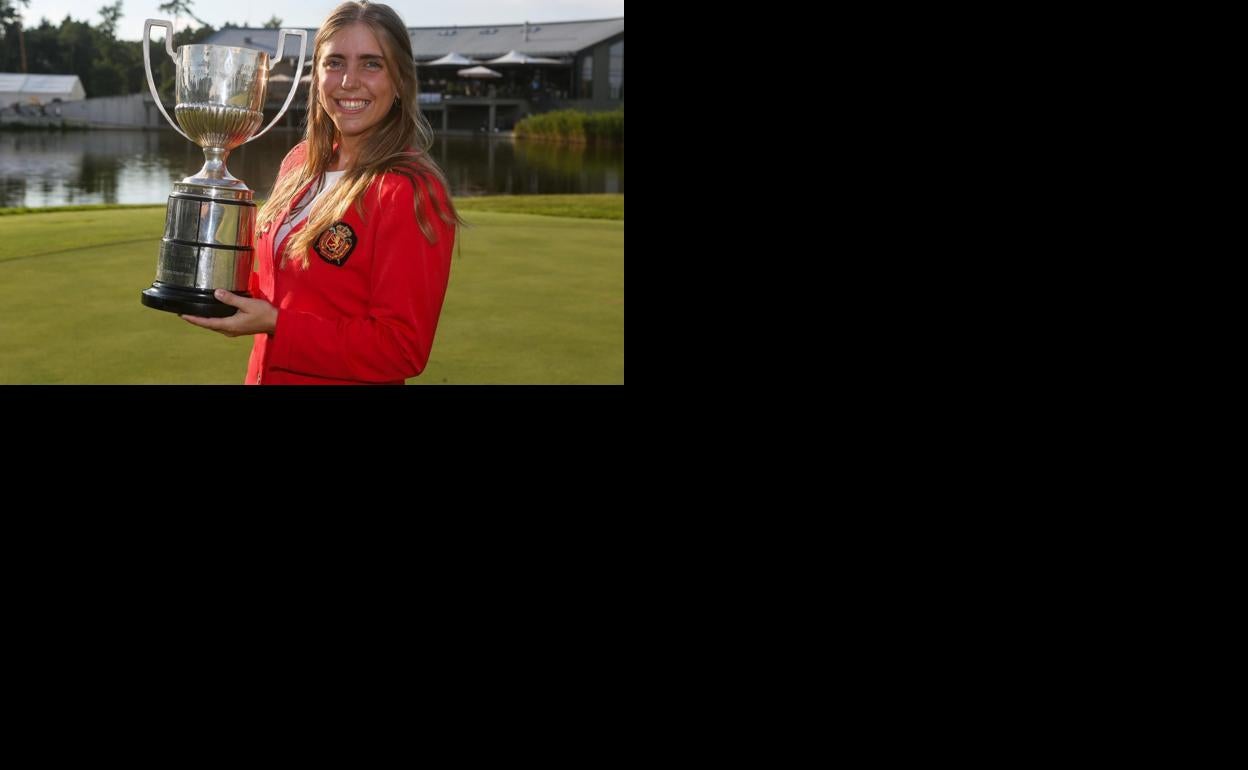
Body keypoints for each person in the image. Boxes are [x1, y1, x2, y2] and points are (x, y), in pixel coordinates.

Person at [180, 1, 462, 385]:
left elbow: (401, 347)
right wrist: (213, 284)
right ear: (317, 76)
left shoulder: (408, 191)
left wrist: (278, 325)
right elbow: (285, 288)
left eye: (371, 63)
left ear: (399, 81)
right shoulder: (300, 163)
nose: (349, 81)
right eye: (334, 62)